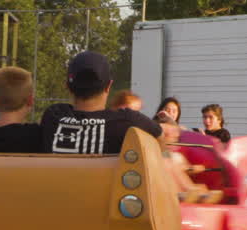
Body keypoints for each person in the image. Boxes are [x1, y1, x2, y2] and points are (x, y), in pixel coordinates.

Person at [40, 51, 179, 154]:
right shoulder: (129, 120)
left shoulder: (53, 115)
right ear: (108, 86)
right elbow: (161, 137)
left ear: (68, 87)